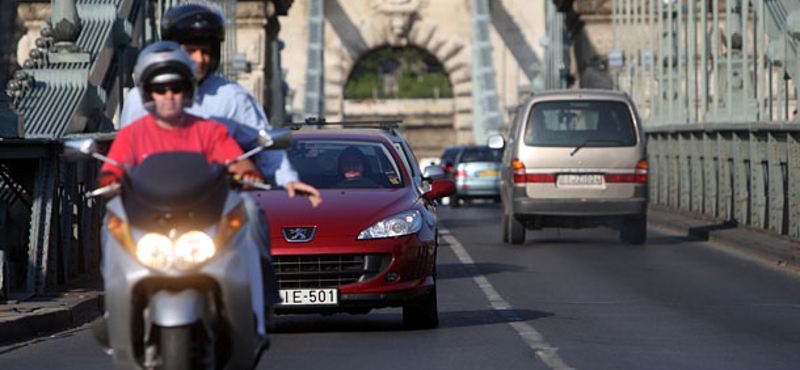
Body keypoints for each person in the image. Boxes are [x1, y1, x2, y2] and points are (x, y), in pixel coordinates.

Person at [119, 2, 321, 207]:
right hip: (153, 201)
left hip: (217, 205)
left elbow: (266, 146)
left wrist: (288, 180)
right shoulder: (138, 98)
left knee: (251, 213)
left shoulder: (233, 97)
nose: (199, 59)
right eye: (190, 51)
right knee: (114, 222)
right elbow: (125, 151)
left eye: (205, 51)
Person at [100, 41, 259, 184]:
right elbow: (113, 167)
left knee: (249, 210)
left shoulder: (211, 131)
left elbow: (237, 161)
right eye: (160, 90)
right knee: (112, 216)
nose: (169, 96)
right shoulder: (131, 134)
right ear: (149, 94)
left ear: (188, 91)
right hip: (145, 210)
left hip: (204, 208)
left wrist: (247, 172)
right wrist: (109, 179)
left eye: (176, 88)